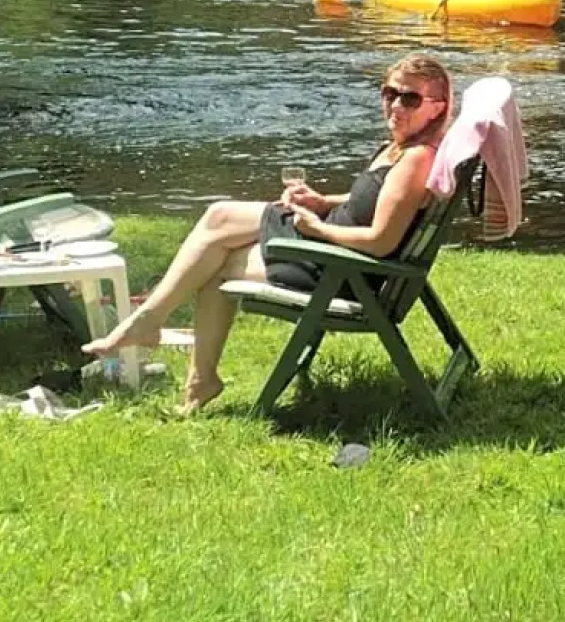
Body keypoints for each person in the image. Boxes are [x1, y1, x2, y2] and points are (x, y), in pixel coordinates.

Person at [81, 53, 454, 415]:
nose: (395, 105)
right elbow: (381, 201)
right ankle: (172, 347)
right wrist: (324, 201)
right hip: (333, 250)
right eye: (389, 93)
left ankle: (170, 346)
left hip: (341, 271)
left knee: (216, 253)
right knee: (217, 226)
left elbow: (382, 241)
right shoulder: (403, 148)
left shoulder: (416, 160)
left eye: (410, 98)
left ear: (436, 108)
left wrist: (319, 228)